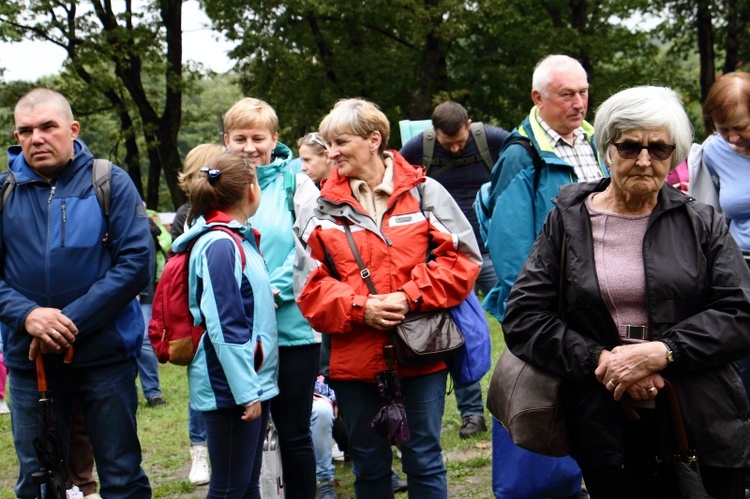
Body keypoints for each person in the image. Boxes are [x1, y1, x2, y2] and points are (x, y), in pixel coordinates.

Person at [503, 85, 750, 499]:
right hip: (604, 422)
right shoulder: (568, 222)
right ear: (607, 149)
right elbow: (525, 317)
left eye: (658, 148)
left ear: (674, 155)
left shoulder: (702, 223)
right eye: (630, 145)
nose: (643, 159)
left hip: (701, 417)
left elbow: (739, 311)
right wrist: (603, 361)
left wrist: (662, 352)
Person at [296, 98, 481, 498]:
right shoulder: (318, 208)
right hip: (355, 361)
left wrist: (410, 296)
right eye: (328, 144)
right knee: (369, 467)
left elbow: (463, 259)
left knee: (425, 461)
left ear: (374, 140)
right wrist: (362, 309)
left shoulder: (425, 192)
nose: (332, 153)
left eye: (340, 142)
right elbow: (308, 288)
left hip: (420, 355)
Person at [1, 88, 152, 497]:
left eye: (48, 127)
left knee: (121, 474)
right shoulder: (4, 192)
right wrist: (29, 316)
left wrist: (68, 322)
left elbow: (136, 264)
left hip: (104, 358)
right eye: (25, 130)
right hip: (30, 362)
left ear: (72, 129)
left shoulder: (109, 181)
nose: (36, 138)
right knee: (38, 479)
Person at [224, 97, 320, 499]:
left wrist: (267, 290)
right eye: (240, 138)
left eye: (258, 138)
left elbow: (311, 246)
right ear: (226, 140)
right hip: (239, 334)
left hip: (292, 330)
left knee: (295, 433)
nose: (250, 147)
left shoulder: (295, 182)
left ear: (274, 139)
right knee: (245, 437)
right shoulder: (216, 185)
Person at [172, 150, 279, 498]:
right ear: (250, 190)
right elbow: (224, 324)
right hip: (230, 387)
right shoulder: (220, 244)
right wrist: (247, 391)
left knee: (246, 483)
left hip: (247, 381)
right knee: (230, 488)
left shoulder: (236, 237)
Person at [400, 101, 508, 438]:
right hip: (445, 259)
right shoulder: (419, 147)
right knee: (457, 339)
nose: (457, 148)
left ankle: (516, 401)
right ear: (435, 134)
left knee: (519, 323)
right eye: (449, 144)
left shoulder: (493, 139)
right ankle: (472, 414)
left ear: (470, 124)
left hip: (491, 252)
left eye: (461, 141)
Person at [483, 54, 607, 322]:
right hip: (554, 300)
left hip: (602, 290)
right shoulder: (521, 154)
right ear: (538, 98)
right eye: (567, 95)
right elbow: (510, 245)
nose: (578, 104)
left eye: (583, 92)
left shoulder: (597, 142)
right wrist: (531, 310)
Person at [688, 71, 750, 496]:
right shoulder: (712, 152)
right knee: (740, 384)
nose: (731, 139)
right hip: (741, 274)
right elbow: (706, 221)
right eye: (722, 129)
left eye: (741, 129)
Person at [169, 142, 224, 486]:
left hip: (232, 309)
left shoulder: (235, 208)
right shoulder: (185, 215)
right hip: (198, 314)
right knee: (201, 385)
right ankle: (199, 451)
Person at [136, 206, 170, 408]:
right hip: (127, 292)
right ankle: (131, 393)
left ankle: (152, 392)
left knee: (145, 341)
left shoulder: (147, 225)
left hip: (146, 292)